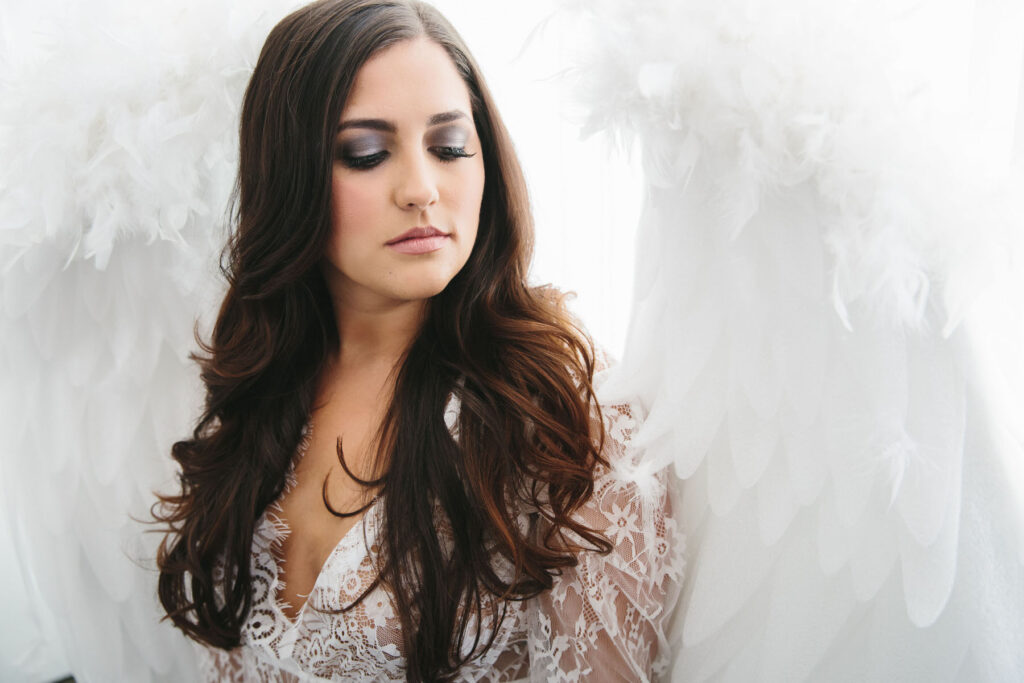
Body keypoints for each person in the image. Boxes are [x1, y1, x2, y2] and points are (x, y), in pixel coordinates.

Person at [154, 0, 683, 680]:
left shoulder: (568, 418)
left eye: (450, 146)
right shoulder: (261, 383)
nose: (422, 189)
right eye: (367, 153)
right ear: (289, 176)